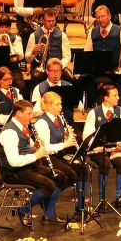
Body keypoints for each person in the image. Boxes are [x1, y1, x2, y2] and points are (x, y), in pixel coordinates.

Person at [0, 100, 63, 227]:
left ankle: (49, 214)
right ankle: (23, 210)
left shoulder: (23, 126)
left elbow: (28, 147)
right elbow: (13, 161)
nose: (32, 116)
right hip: (14, 172)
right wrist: (36, 155)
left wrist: (36, 147)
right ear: (18, 113)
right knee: (49, 184)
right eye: (28, 113)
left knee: (60, 176)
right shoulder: (9, 132)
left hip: (27, 166)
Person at [33, 91, 83, 219]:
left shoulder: (59, 118)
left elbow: (60, 139)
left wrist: (67, 136)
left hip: (58, 155)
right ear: (48, 106)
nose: (61, 107)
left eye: (60, 104)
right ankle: (48, 208)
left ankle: (80, 208)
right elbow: (45, 148)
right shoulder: (42, 123)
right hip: (45, 158)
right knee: (69, 175)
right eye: (57, 104)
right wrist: (65, 144)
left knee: (81, 169)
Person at [83, 80, 121, 209]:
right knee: (104, 163)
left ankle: (119, 198)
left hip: (115, 148)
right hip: (98, 149)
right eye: (115, 95)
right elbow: (87, 135)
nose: (118, 98)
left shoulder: (120, 111)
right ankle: (102, 199)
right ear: (106, 98)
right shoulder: (94, 112)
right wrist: (95, 146)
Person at [26, 9, 68, 81]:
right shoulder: (33, 35)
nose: (51, 23)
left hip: (58, 67)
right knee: (36, 77)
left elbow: (67, 56)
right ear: (42, 20)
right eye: (49, 21)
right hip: (40, 68)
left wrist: (58, 67)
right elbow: (28, 59)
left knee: (70, 78)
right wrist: (33, 52)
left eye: (53, 21)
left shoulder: (62, 35)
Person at [84, 3, 121, 67]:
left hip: (115, 68)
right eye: (98, 17)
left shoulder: (120, 31)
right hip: (97, 68)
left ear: (109, 16)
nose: (100, 19)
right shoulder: (92, 32)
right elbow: (87, 52)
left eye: (103, 16)